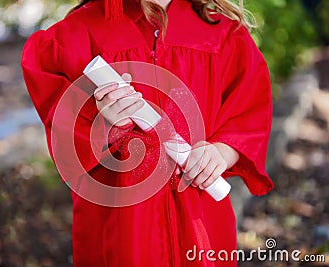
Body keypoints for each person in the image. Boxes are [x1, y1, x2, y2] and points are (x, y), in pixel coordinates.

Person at [21, 0, 274, 266]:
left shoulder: (222, 33)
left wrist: (222, 151)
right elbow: (63, 128)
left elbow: (248, 111)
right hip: (120, 225)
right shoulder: (79, 32)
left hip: (201, 215)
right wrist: (105, 123)